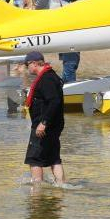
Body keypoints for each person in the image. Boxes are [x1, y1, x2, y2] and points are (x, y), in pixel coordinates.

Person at [23, 51, 65, 185]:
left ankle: (37, 191)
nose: (26, 67)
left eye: (27, 64)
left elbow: (54, 102)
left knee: (34, 159)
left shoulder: (46, 79)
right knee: (54, 158)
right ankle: (61, 185)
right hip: (53, 124)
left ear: (34, 63)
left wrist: (43, 123)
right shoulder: (50, 76)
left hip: (44, 125)